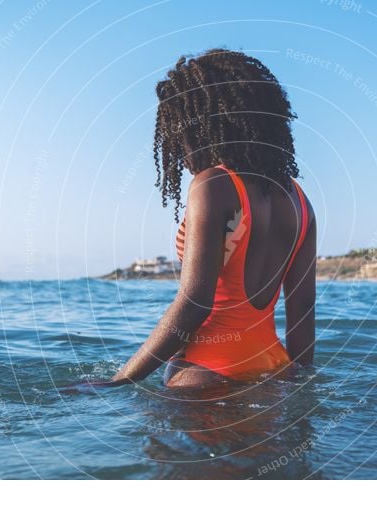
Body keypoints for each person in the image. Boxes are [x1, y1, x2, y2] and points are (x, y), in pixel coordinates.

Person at [107, 48, 316, 388]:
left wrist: (120, 380)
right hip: (273, 369)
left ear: (203, 125)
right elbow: (303, 307)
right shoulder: (300, 202)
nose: (180, 148)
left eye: (179, 132)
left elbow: (194, 303)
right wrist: (301, 383)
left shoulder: (213, 185)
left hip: (206, 371)